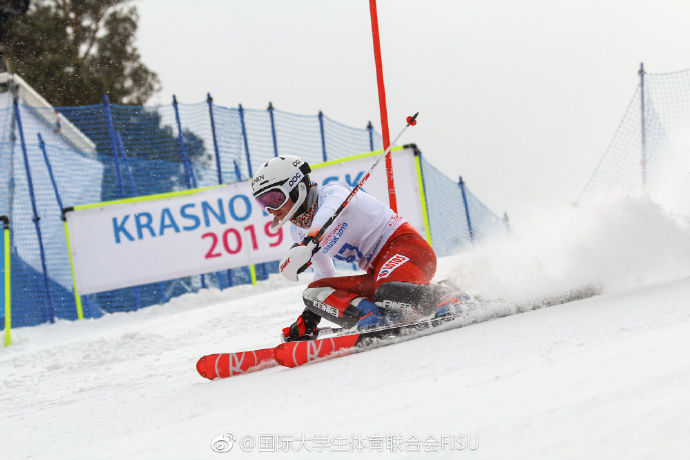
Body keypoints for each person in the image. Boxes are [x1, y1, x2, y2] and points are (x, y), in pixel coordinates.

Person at [251, 154, 460, 342]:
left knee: (387, 290)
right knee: (314, 292)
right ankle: (373, 315)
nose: (271, 210)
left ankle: (448, 295)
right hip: (378, 273)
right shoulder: (298, 231)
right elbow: (324, 273)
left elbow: (328, 213)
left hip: (407, 248)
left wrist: (309, 242)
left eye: (275, 198)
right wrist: (310, 316)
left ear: (298, 187)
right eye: (263, 203)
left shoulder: (333, 193)